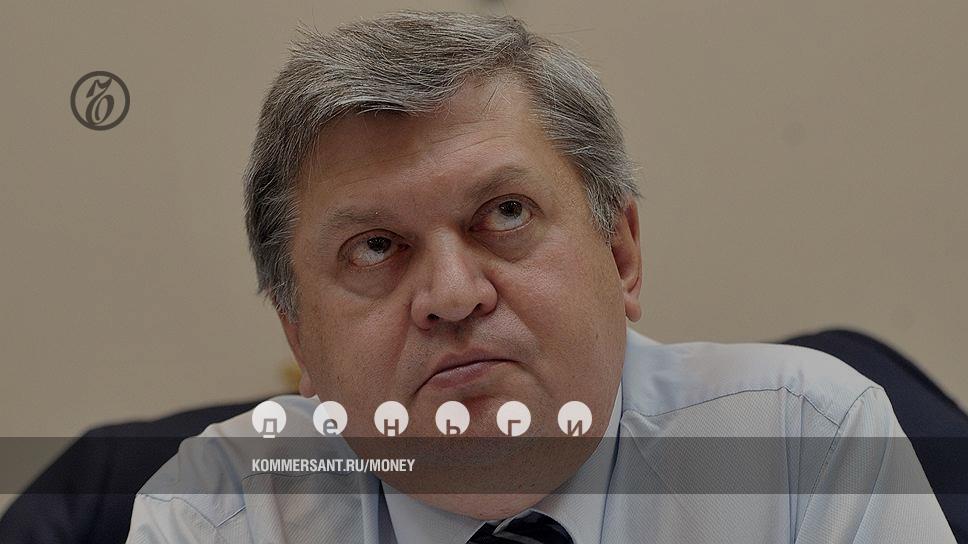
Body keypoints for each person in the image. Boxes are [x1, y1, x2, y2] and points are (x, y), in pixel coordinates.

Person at [126, 11, 956, 543]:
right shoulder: (216, 515)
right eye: (375, 248)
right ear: (299, 335)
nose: (453, 296)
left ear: (621, 255)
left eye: (506, 213)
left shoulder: (805, 447)